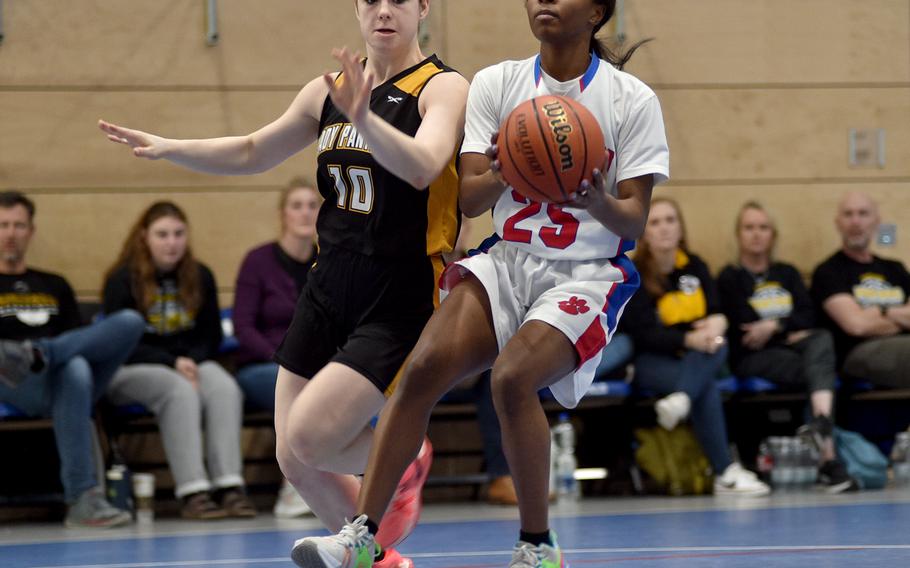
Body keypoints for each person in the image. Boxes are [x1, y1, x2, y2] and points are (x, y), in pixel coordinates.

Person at [293, 1, 670, 567]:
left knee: (513, 379)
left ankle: (537, 546)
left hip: (587, 272)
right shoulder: (498, 82)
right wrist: (507, 168)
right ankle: (364, 538)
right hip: (508, 257)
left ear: (596, 12)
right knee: (419, 371)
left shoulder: (631, 100)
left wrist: (597, 199)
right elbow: (469, 197)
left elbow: (634, 220)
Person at [99, 0, 467, 562]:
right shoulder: (328, 91)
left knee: (311, 436)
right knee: (291, 457)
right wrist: (171, 147)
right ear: (356, 9)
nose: (384, 11)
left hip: (400, 285)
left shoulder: (442, 88)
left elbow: (423, 164)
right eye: (372, 0)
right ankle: (377, 555)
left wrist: (365, 118)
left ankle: (406, 453)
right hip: (328, 281)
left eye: (399, 0)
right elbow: (252, 150)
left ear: (423, 7)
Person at [102, 201, 256, 520]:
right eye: (162, 234)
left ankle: (230, 487)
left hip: (189, 363)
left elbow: (211, 336)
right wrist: (172, 362)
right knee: (177, 389)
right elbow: (120, 342)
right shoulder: (121, 279)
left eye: (178, 234)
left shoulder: (200, 275)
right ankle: (193, 492)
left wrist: (190, 360)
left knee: (225, 387)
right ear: (144, 237)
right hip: (132, 368)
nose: (171, 242)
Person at [0, 190, 144, 528]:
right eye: (3, 225)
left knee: (128, 322)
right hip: (11, 381)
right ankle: (82, 499)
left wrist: (46, 354)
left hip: (59, 376)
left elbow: (80, 342)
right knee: (71, 367)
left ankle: (41, 352)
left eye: (18, 225)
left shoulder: (55, 284)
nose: (10, 233)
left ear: (30, 231)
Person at [621, 198, 770, 497]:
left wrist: (716, 325)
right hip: (652, 362)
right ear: (644, 232)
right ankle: (725, 472)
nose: (664, 228)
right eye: (655, 222)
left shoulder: (695, 266)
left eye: (670, 220)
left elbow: (716, 310)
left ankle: (682, 400)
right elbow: (642, 334)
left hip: (700, 355)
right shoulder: (632, 273)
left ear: (681, 228)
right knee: (707, 384)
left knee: (719, 344)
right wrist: (688, 339)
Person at [717, 201, 853, 493]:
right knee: (821, 370)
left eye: (763, 228)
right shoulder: (730, 277)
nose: (756, 234)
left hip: (792, 353)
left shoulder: (788, 274)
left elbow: (809, 315)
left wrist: (773, 327)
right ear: (739, 234)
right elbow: (743, 325)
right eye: (749, 228)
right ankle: (828, 459)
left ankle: (819, 427)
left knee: (821, 341)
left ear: (773, 235)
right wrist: (787, 328)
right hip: (752, 358)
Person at [233, 177, 320, 518]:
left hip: (317, 367)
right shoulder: (258, 262)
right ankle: (295, 485)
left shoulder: (328, 260)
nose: (305, 213)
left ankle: (349, 482)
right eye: (297, 206)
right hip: (262, 366)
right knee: (300, 391)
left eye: (312, 206)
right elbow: (243, 327)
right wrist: (287, 362)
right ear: (283, 214)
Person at [810, 192, 910, 388]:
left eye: (863, 214)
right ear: (838, 223)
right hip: (857, 354)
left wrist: (881, 312)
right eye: (848, 214)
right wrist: (901, 318)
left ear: (876, 221)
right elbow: (856, 326)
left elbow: (865, 321)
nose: (855, 221)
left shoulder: (895, 268)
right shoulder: (828, 271)